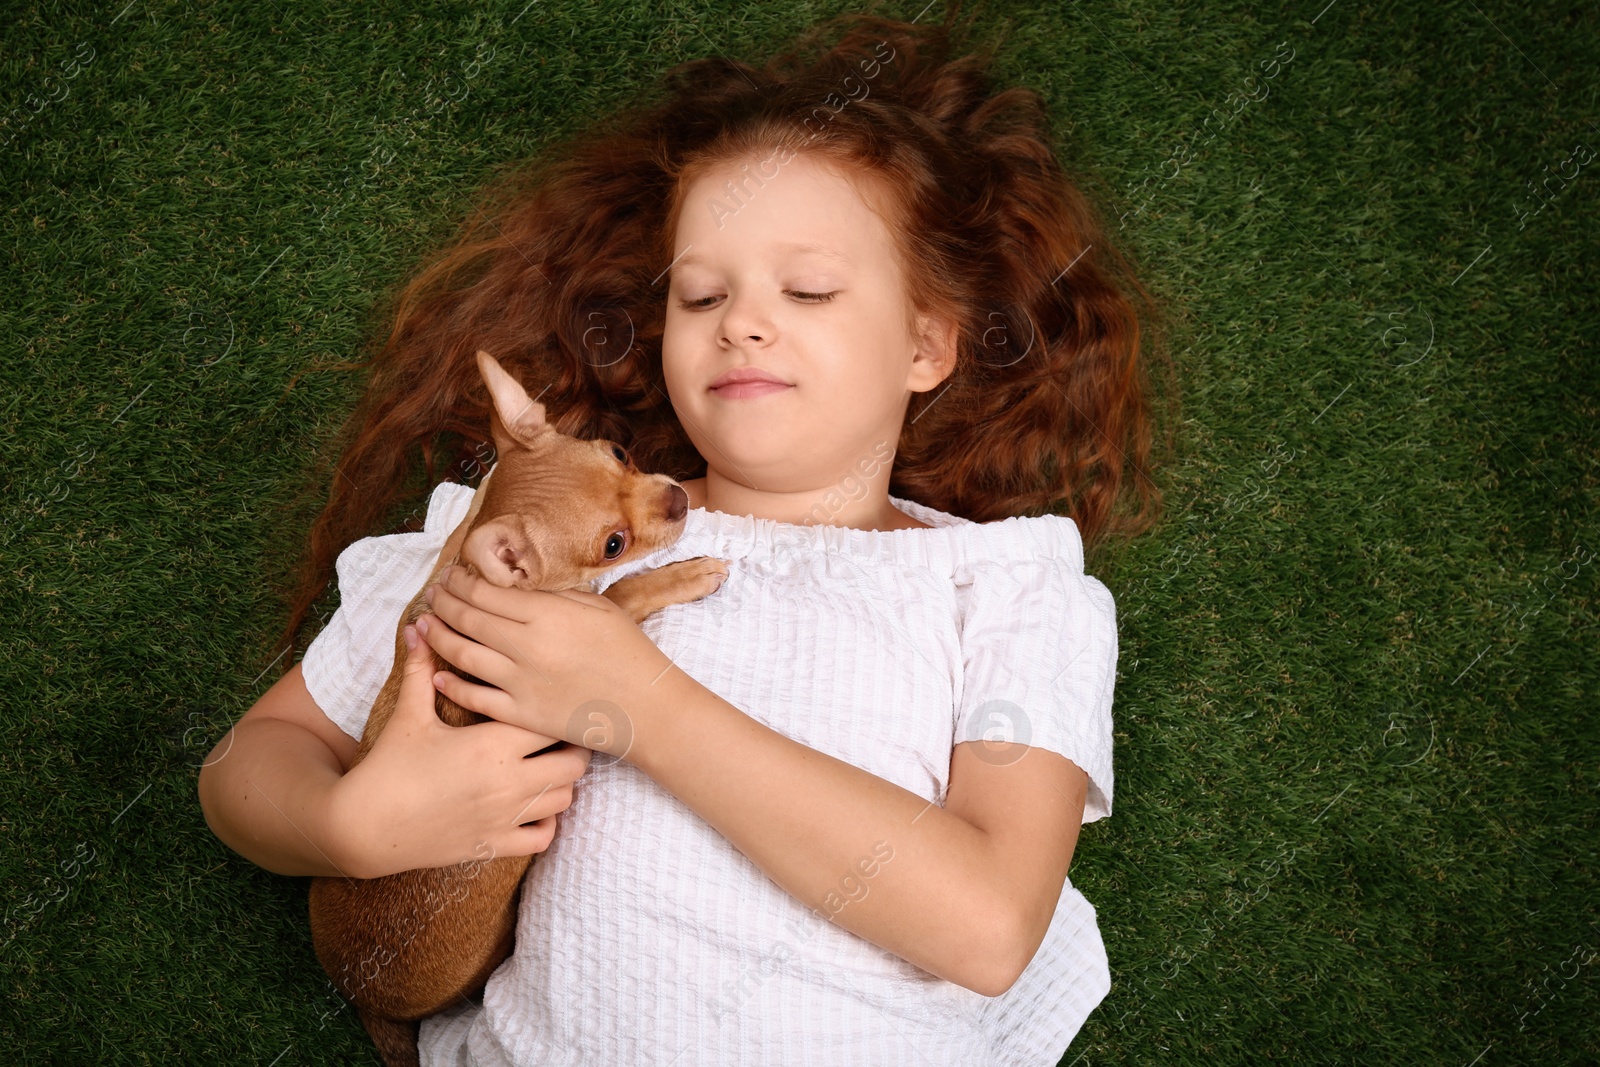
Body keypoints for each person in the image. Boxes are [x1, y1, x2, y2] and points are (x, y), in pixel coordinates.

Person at [198, 5, 1172, 1064]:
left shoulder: (1003, 587)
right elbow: (251, 762)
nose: (740, 321)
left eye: (807, 288)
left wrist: (642, 702)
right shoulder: (542, 532)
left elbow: (987, 926)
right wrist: (349, 823)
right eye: (701, 293)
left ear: (927, 345)